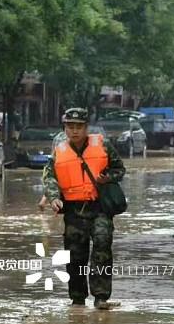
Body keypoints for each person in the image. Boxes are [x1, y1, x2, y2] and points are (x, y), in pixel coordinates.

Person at [42, 107, 126, 310]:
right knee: (74, 256)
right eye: (70, 126)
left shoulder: (104, 145)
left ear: (87, 128)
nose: (75, 131)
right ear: (65, 128)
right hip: (73, 210)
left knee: (102, 248)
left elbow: (120, 169)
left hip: (99, 208)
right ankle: (78, 299)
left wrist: (108, 178)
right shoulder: (59, 151)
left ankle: (101, 297)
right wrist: (53, 198)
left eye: (79, 126)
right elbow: (50, 176)